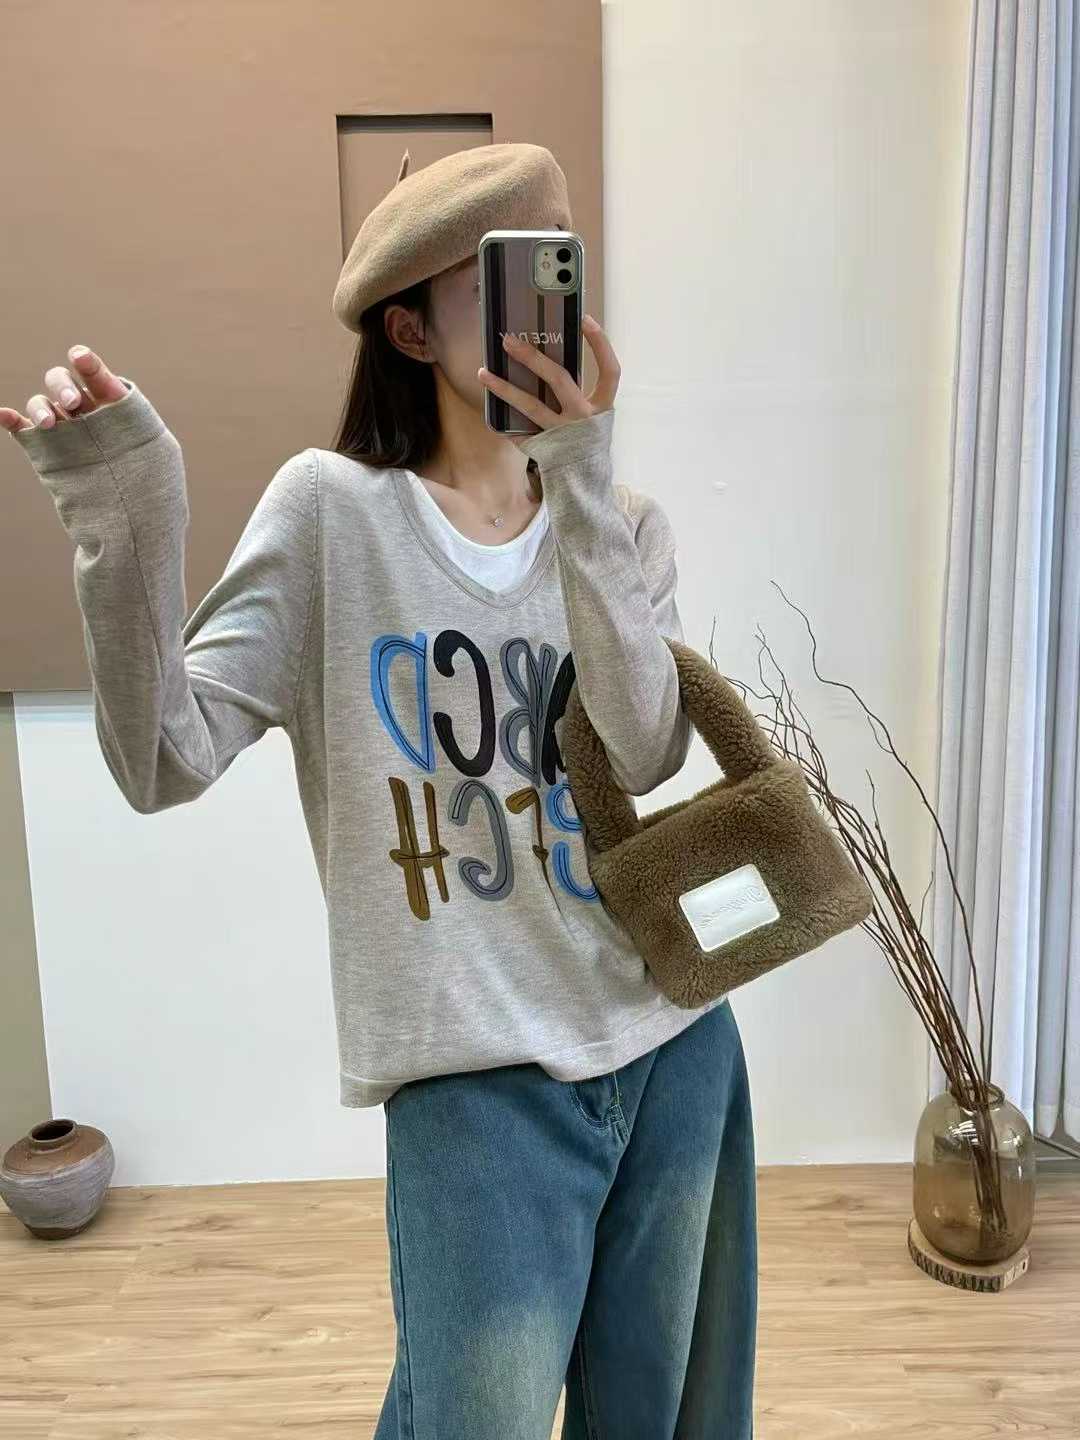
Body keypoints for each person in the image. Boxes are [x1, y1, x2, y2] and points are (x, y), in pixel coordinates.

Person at [3, 142, 757, 1439]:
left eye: (558, 263)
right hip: (474, 1084)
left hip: (673, 1044)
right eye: (499, 280)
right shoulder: (332, 516)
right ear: (409, 330)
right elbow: (163, 759)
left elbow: (644, 753)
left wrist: (579, 474)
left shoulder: (621, 521)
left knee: (656, 1416)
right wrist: (127, 523)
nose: (544, 307)